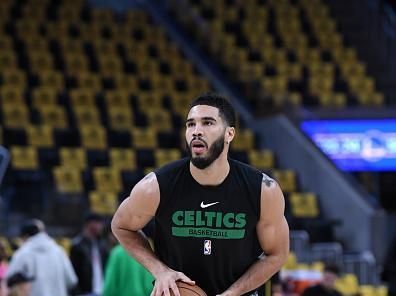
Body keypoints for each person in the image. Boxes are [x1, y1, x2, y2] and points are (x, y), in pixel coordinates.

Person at [111, 92, 290, 296]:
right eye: (190, 124)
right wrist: (160, 271)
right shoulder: (156, 187)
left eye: (207, 123)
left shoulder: (262, 190)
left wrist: (233, 293)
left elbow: (277, 254)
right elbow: (121, 225)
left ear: (229, 134)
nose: (196, 131)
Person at [5, 219, 77, 296]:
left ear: (25, 236)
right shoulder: (59, 251)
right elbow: (72, 280)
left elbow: (10, 281)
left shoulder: (22, 253)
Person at [70, 212, 108, 296]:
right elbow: (74, 272)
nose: (102, 227)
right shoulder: (78, 245)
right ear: (91, 224)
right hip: (85, 293)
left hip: (101, 291)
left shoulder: (101, 245)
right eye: (99, 223)